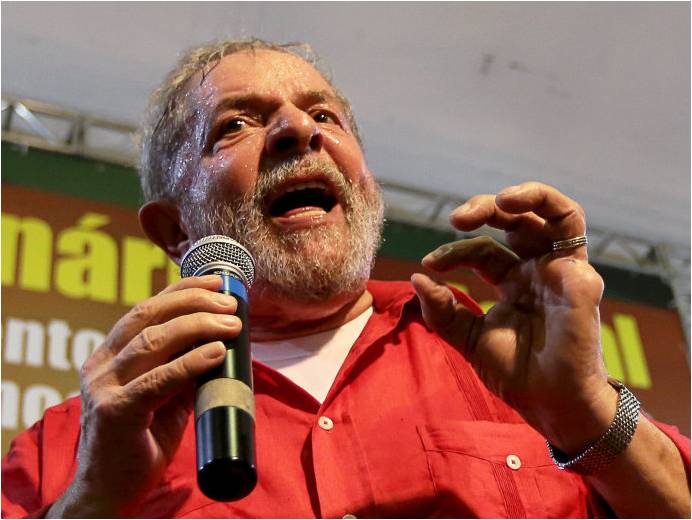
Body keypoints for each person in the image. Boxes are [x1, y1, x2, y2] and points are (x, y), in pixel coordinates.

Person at [2, 38, 690, 518]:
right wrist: (93, 500)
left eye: (324, 114)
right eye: (236, 123)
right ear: (177, 230)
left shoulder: (501, 363)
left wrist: (586, 412)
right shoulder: (79, 444)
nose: (298, 129)